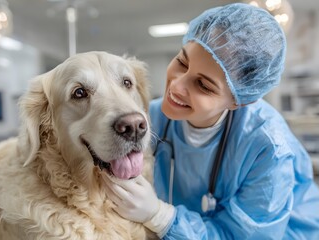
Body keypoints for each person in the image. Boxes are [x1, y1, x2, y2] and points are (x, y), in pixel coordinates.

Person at [101, 3, 319, 239]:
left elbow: (245, 236)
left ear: (238, 101)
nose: (176, 85)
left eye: (203, 85)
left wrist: (160, 216)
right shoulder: (153, 118)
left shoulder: (268, 148)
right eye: (182, 62)